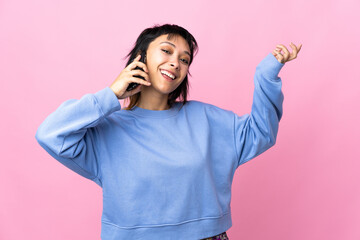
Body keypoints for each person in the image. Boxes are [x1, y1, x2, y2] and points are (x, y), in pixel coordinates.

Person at [35, 23, 302, 240]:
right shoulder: (107, 128)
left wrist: (266, 76)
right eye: (166, 51)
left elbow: (261, 132)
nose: (176, 63)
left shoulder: (205, 119)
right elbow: (50, 134)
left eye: (184, 59)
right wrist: (111, 94)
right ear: (141, 57)